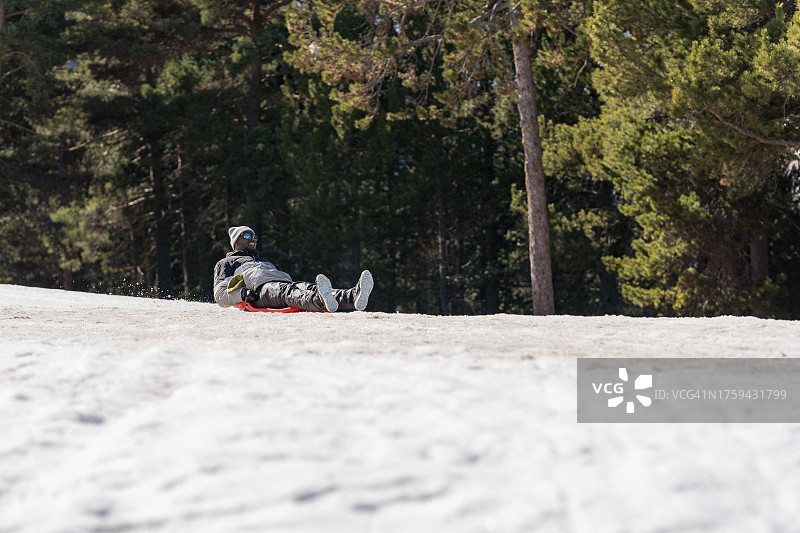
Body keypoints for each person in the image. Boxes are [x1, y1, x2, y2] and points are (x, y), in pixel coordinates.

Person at [213, 226, 373, 312]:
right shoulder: (227, 263)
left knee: (309, 287)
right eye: (247, 236)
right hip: (259, 291)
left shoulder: (262, 260)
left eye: (254, 236)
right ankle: (320, 301)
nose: (253, 239)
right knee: (287, 292)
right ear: (236, 241)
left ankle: (353, 297)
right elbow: (220, 294)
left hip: (283, 284)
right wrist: (242, 294)